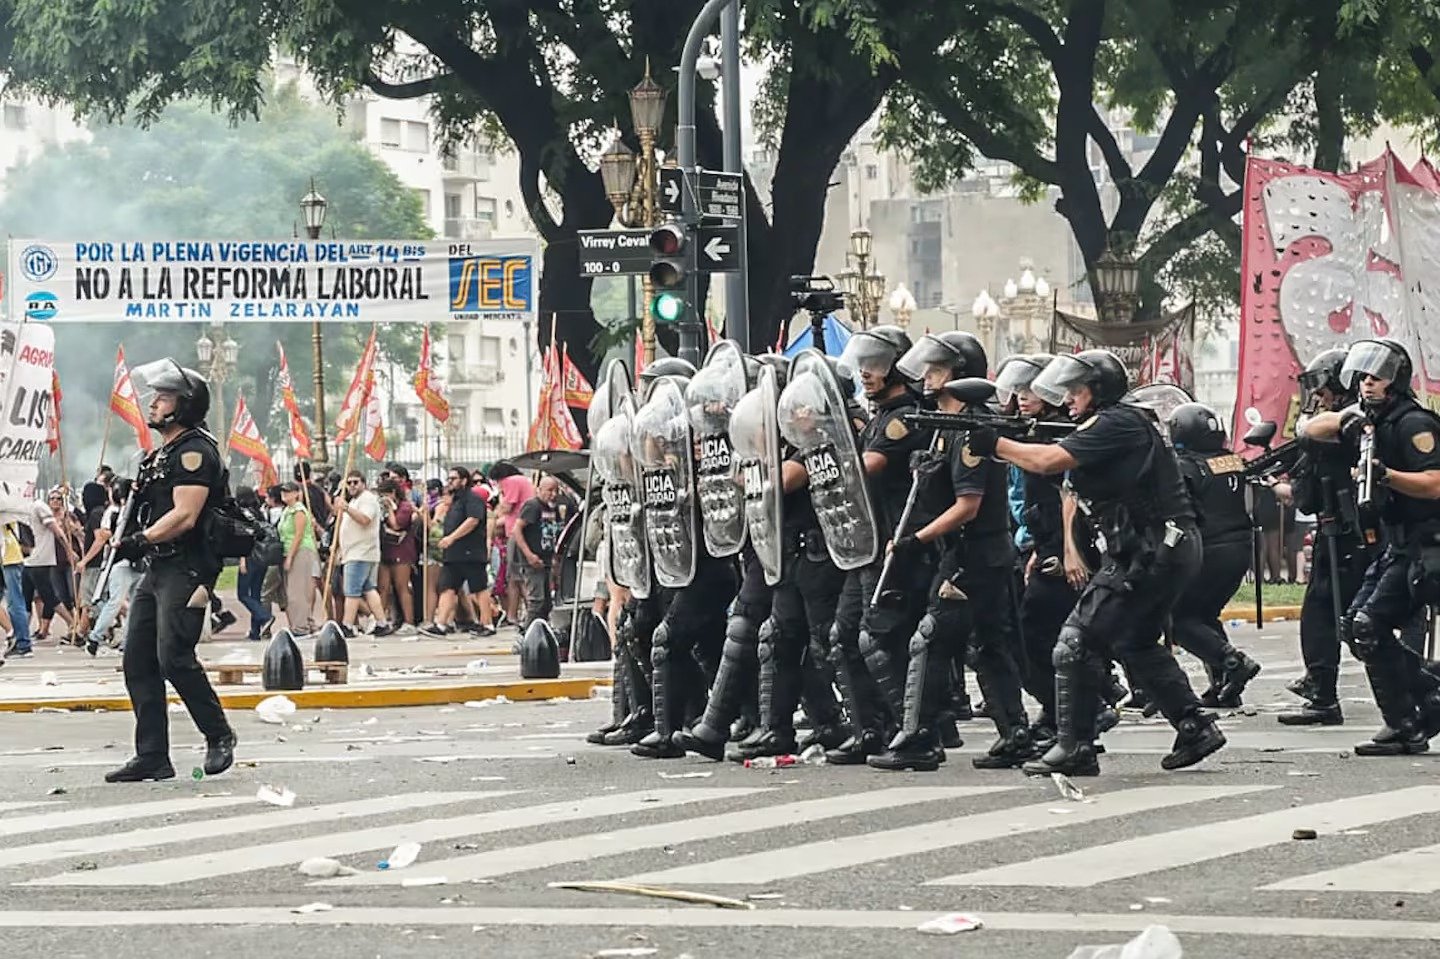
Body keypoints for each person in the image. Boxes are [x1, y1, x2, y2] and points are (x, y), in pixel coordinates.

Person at [972, 350, 1225, 776]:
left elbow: (1048, 461)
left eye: (1077, 389)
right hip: (1157, 546)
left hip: (1150, 550)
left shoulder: (1117, 422)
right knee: (1135, 641)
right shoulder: (1115, 423)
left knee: (1076, 641)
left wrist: (992, 442)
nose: (1068, 398)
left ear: (1100, 389)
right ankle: (1194, 725)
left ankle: (1076, 746)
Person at [1299, 338, 1440, 755]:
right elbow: (1310, 430)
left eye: (1376, 378)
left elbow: (1434, 484)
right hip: (1398, 546)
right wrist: (1354, 417)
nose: (1367, 384)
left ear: (1395, 380)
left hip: (1427, 543)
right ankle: (1425, 703)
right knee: (1356, 627)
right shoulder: (1371, 421)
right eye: (1362, 378)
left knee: (1368, 625)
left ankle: (1406, 724)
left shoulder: (1414, 424)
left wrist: (1386, 475)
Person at [103, 358, 236, 783]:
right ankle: (153, 756)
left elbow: (185, 515)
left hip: (188, 567)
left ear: (185, 406)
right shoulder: (161, 453)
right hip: (158, 568)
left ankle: (219, 735)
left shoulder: (195, 451)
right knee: (137, 660)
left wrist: (140, 540)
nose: (154, 403)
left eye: (164, 397)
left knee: (174, 657)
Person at [822, 326, 936, 765]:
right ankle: (870, 728)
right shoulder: (877, 418)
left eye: (876, 365)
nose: (866, 373)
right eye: (863, 365)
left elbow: (864, 467)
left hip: (895, 541)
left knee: (880, 638)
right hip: (865, 543)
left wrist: (818, 457)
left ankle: (914, 732)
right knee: (843, 635)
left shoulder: (903, 418)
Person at [1279, 349, 1370, 725]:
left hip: (1351, 532)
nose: (1319, 396)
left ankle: (1323, 694)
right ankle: (1321, 688)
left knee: (1329, 612)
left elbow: (1319, 430)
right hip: (1344, 528)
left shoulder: (1354, 417)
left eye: (1323, 387)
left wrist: (1306, 428)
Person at [1167, 402, 1263, 708]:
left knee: (1179, 620)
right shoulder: (1230, 461)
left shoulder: (1184, 467)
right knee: (1204, 615)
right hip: (1240, 547)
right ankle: (1224, 686)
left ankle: (1233, 663)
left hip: (1209, 549)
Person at [423, 466, 495, 637]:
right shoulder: (455, 501)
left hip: (470, 552)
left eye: (453, 479)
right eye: (448, 479)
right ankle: (440, 624)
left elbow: (472, 521)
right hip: (453, 555)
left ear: (463, 480)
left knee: (479, 589)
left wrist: (452, 538)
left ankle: (488, 624)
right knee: (447, 588)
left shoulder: (473, 498)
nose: (450, 483)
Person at [333, 471, 393, 637]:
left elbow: (365, 519)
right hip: (354, 552)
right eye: (349, 483)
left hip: (360, 553)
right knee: (368, 589)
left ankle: (347, 625)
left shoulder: (367, 499)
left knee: (351, 591)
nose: (352, 485)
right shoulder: (355, 500)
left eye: (355, 482)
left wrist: (345, 507)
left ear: (363, 483)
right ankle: (381, 623)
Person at [83, 479, 140, 655]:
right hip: (132, 560)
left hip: (126, 560)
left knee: (118, 602)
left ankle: (99, 637)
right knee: (126, 602)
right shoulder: (126, 512)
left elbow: (104, 536)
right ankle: (123, 639)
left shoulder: (117, 513)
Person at [513, 475, 568, 630]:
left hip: (546, 558)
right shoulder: (532, 506)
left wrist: (555, 558)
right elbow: (517, 529)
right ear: (539, 490)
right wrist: (529, 555)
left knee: (546, 602)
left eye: (555, 491)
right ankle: (527, 632)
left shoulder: (554, 508)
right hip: (532, 560)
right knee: (536, 600)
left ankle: (541, 629)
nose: (553, 494)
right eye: (549, 490)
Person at [233, 486, 275, 642]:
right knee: (255, 594)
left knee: (243, 594)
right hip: (262, 557)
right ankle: (255, 630)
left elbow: (244, 537)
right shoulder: (260, 513)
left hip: (249, 556)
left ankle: (264, 617)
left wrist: (242, 559)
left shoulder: (242, 514)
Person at [277, 482, 319, 633]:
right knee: (292, 591)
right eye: (283, 492)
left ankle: (301, 626)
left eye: (288, 492)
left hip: (301, 552)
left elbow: (299, 535)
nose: (285, 494)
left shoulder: (299, 511)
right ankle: (305, 622)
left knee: (297, 591)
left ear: (296, 493)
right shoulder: (287, 511)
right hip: (289, 550)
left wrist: (290, 557)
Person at [377, 477, 418, 629]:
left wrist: (389, 508)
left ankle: (409, 621)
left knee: (402, 587)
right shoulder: (380, 507)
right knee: (383, 588)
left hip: (401, 551)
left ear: (393, 492)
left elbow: (396, 525)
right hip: (385, 551)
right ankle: (382, 620)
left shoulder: (405, 507)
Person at [2, 522, 30, 658]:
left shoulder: (5, 509)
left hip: (9, 558)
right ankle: (13, 634)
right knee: (14, 601)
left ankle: (22, 643)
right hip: (8, 557)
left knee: (15, 602)